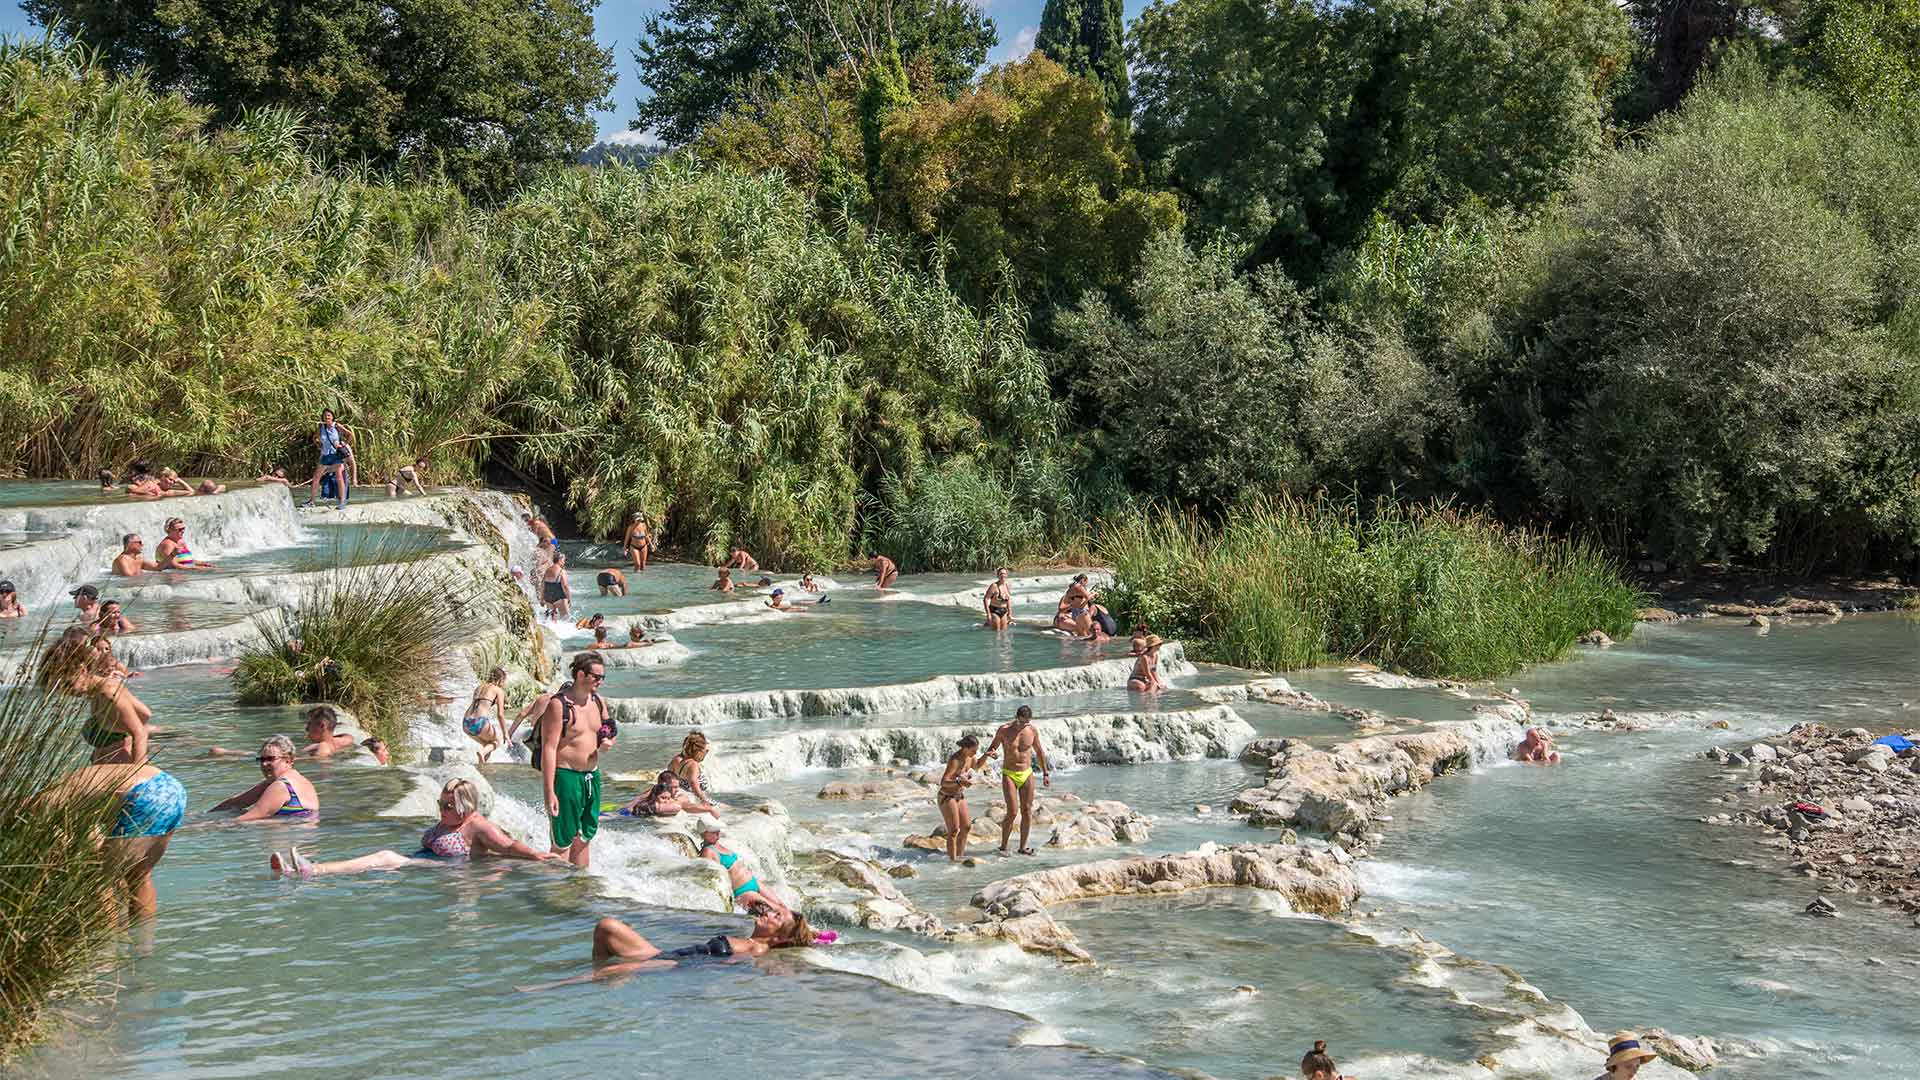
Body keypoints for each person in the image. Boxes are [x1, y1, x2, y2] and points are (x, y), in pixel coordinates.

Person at [270, 778, 561, 879]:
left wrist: (537, 856)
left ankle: (314, 871)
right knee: (382, 861)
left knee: (384, 857)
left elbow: (508, 846)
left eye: (449, 806)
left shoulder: (478, 827)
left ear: (467, 807)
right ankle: (295, 871)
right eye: (441, 803)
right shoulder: (450, 820)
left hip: (451, 872)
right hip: (425, 863)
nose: (442, 810)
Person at [43, 761, 187, 923]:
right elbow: (91, 839)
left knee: (98, 879)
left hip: (141, 795)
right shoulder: (64, 789)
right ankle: (144, 943)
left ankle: (108, 943)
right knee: (139, 875)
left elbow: (64, 846)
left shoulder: (43, 804)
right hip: (170, 787)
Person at [540, 652, 613, 868]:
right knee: (562, 839)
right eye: (597, 677)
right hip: (566, 777)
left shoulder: (598, 701)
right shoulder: (559, 705)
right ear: (581, 674)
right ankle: (557, 894)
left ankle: (580, 889)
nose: (600, 681)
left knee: (584, 836)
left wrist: (608, 739)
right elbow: (549, 748)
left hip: (592, 776)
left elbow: (609, 727)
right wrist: (549, 791)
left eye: (603, 677)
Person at [40, 630, 151, 765]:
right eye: (60, 688)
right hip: (108, 767)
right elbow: (145, 713)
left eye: (68, 684)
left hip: (123, 768)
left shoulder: (108, 691)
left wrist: (138, 774)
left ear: (82, 669)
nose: (66, 692)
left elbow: (140, 734)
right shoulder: (96, 692)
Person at [587, 908, 817, 971]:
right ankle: (605, 976)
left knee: (588, 977)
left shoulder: (755, 949)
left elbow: (716, 965)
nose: (768, 913)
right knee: (606, 927)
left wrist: (656, 967)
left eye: (777, 917)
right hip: (665, 953)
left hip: (670, 963)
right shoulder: (749, 940)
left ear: (777, 938)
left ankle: (552, 987)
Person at [981, 705, 1051, 856]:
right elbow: (993, 747)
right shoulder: (1004, 730)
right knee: (1012, 811)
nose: (1026, 724)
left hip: (1026, 773)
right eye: (1024, 721)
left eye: (1028, 721)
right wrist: (992, 753)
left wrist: (1045, 773)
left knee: (1026, 810)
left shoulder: (1031, 730)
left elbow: (1039, 752)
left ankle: (1023, 847)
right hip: (1009, 774)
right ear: (1017, 717)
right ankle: (1004, 846)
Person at [211, 735, 319, 821]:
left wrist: (206, 827)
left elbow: (249, 818)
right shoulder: (300, 780)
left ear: (288, 760)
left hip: (289, 841)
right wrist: (203, 816)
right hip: (305, 841)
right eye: (261, 760)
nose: (264, 764)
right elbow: (236, 802)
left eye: (270, 759)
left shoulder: (281, 786)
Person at [696, 817, 788, 916]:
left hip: (754, 882)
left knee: (782, 907)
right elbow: (716, 880)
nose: (718, 832)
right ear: (704, 834)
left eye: (718, 829)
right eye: (713, 831)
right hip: (743, 892)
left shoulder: (717, 844)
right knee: (776, 914)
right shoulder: (708, 852)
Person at [937, 735, 982, 862]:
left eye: (976, 751)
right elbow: (944, 782)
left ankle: (960, 857)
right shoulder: (955, 760)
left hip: (959, 795)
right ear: (965, 748)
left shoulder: (970, 757)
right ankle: (952, 861)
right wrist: (959, 782)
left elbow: (977, 766)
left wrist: (987, 755)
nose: (975, 753)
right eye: (973, 750)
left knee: (967, 826)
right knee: (953, 830)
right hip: (947, 796)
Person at [304, 408, 355, 511]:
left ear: (332, 417)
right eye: (325, 416)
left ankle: (342, 502)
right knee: (316, 477)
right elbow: (315, 438)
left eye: (329, 415)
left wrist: (344, 444)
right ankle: (311, 501)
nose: (327, 417)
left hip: (336, 454)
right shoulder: (321, 427)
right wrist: (319, 445)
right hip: (325, 455)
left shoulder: (337, 426)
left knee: (339, 477)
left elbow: (350, 435)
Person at [460, 667, 510, 762]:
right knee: (497, 741)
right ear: (500, 679)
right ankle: (482, 753)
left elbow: (479, 705)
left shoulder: (479, 687)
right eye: (504, 681)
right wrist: (505, 733)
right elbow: (500, 715)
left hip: (466, 723)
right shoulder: (498, 690)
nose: (504, 684)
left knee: (487, 745)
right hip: (479, 723)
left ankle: (482, 766)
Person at [666, 732, 721, 813]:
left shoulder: (676, 760)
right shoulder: (693, 765)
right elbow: (693, 783)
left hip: (685, 795)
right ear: (698, 751)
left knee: (725, 807)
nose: (706, 753)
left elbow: (668, 776)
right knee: (732, 810)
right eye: (705, 751)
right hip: (695, 799)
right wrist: (704, 800)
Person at [621, 771, 687, 816]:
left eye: (677, 787)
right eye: (674, 787)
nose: (677, 790)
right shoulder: (652, 792)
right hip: (627, 813)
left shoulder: (664, 793)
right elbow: (637, 800)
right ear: (663, 785)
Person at [540, 551, 572, 620]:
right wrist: (569, 599)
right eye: (564, 560)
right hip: (559, 597)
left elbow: (542, 585)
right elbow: (565, 586)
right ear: (560, 560)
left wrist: (542, 599)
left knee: (550, 618)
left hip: (548, 597)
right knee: (566, 618)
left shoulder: (547, 570)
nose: (564, 562)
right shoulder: (561, 571)